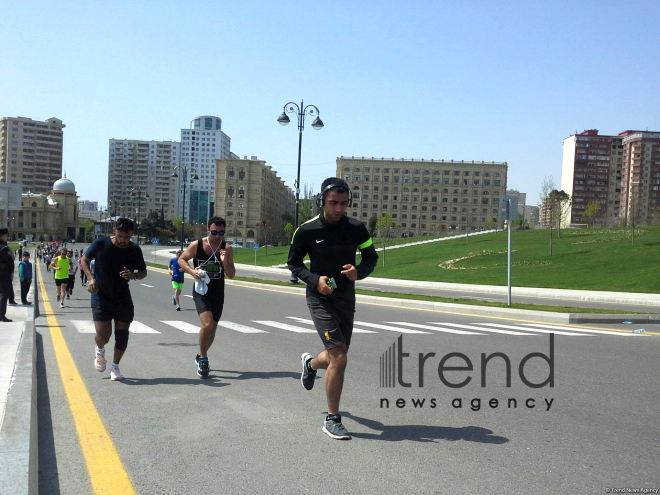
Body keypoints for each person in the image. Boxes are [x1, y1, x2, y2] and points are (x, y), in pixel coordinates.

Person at [288, 178, 378, 440]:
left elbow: (371, 256)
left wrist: (359, 271)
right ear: (322, 202)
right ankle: (332, 419)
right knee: (339, 356)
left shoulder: (356, 229)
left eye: (344, 203)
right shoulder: (306, 231)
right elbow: (294, 264)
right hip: (320, 299)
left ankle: (311, 364)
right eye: (333, 203)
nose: (339, 209)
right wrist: (316, 280)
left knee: (336, 354)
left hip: (346, 298)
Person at [80, 218, 147, 381]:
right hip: (100, 295)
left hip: (122, 297)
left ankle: (115, 367)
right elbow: (84, 260)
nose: (123, 241)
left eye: (127, 238)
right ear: (114, 232)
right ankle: (100, 349)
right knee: (103, 335)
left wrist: (134, 276)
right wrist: (90, 278)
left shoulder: (134, 249)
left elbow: (143, 271)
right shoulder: (100, 244)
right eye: (120, 237)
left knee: (122, 336)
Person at [178, 217, 236, 378]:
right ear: (208, 230)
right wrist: (192, 272)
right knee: (208, 323)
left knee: (212, 329)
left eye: (221, 232)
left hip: (217, 293)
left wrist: (225, 263)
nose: (218, 236)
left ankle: (199, 354)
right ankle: (203, 359)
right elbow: (181, 259)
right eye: (214, 232)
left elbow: (231, 274)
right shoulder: (197, 245)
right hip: (201, 291)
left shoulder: (227, 248)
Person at [0, 228, 15, 322]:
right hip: (3, 273)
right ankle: (1, 315)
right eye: (6, 235)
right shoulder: (3, 248)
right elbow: (10, 261)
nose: (7, 236)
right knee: (3, 294)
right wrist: (11, 270)